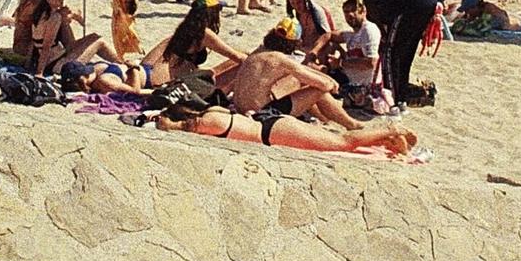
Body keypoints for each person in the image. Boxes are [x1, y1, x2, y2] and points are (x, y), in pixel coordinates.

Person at [343, 0, 443, 104]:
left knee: (390, 53)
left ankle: (391, 100)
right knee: (406, 53)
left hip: (410, 6)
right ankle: (400, 98)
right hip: (428, 1)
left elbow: (374, 7)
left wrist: (383, 30)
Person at [225, 22, 365, 130]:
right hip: (262, 114)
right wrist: (332, 82)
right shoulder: (281, 60)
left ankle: (329, 120)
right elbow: (324, 85)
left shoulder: (257, 53)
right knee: (318, 91)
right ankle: (351, 124)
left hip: (240, 108)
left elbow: (303, 72)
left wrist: (327, 79)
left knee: (297, 81)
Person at [154, 102, 417, 155]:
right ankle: (385, 141)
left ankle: (391, 130)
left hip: (274, 133)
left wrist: (169, 126)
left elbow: (188, 131)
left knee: (342, 142)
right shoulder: (212, 111)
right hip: (272, 125)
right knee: (333, 140)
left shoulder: (204, 124)